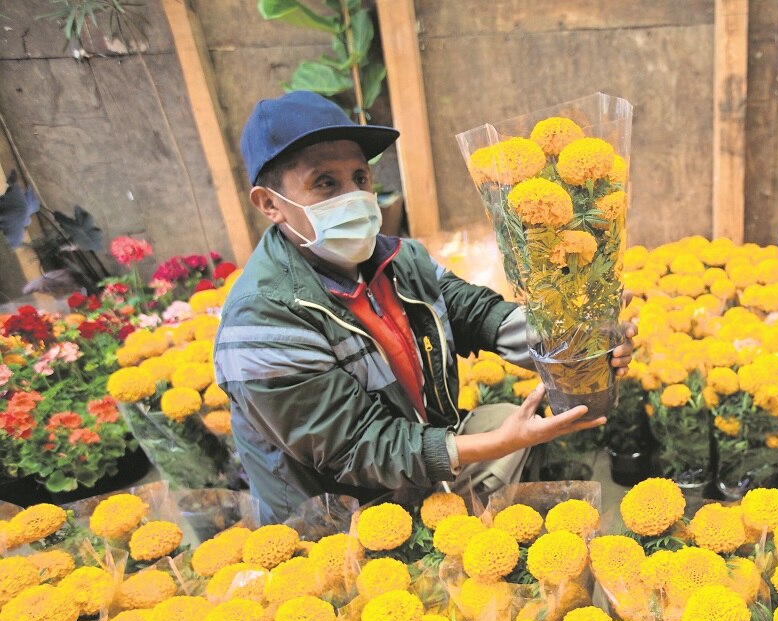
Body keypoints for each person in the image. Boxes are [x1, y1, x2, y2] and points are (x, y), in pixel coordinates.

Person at [215, 91, 634, 524]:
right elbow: (354, 447)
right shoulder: (262, 319)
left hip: (418, 463)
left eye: (360, 177)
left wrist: (577, 334)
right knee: (501, 436)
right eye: (325, 183)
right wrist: (494, 444)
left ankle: (451, 513)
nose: (354, 196)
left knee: (505, 419)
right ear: (269, 204)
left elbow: (472, 312)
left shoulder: (401, 259)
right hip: (338, 514)